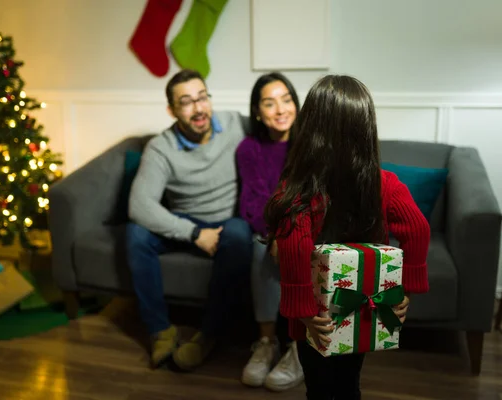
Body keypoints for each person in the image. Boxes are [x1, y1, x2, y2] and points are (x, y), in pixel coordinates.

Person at [263, 75, 430, 399]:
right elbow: (418, 228)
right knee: (348, 381)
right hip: (363, 310)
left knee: (319, 386)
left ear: (311, 128)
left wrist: (303, 309)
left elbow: (294, 246)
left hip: (317, 316)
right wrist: (401, 291)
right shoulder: (385, 183)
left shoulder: (299, 189)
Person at [127, 69, 253, 371]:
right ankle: (161, 332)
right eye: (186, 102)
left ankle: (208, 335)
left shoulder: (235, 124)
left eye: (202, 98)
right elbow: (139, 205)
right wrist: (195, 232)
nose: (198, 108)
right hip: (186, 223)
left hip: (227, 222)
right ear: (172, 110)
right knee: (136, 234)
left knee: (239, 234)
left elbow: (278, 130)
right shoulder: (161, 147)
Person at [235, 72, 304, 391]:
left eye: (286, 99)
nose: (280, 109)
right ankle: (266, 342)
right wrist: (275, 234)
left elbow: (313, 196)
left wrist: (288, 233)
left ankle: (301, 347)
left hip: (307, 225)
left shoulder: (311, 143)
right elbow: (253, 200)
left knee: (301, 247)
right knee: (259, 246)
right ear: (258, 111)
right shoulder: (249, 149)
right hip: (268, 230)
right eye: (269, 103)